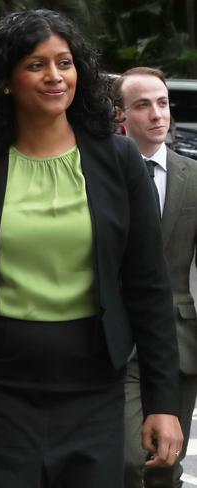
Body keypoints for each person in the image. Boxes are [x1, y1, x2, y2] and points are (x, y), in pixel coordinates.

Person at [0, 9, 183, 487]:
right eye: (36, 64)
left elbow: (148, 286)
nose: (55, 76)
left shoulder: (117, 158)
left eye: (65, 62)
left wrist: (163, 403)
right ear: (6, 79)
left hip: (94, 384)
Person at [112, 67, 197, 488]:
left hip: (179, 340)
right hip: (118, 340)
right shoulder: (101, 174)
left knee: (166, 464)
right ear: (120, 115)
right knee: (131, 460)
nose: (156, 114)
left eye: (162, 103)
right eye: (142, 105)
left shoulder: (193, 177)